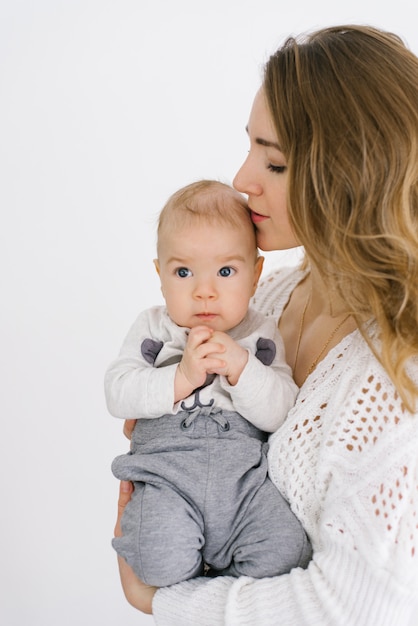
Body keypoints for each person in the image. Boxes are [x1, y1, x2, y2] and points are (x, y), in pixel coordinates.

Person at [114, 25, 418, 624]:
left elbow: (358, 606)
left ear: (351, 175)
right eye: (250, 146)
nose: (241, 179)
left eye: (274, 162)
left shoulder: (397, 376)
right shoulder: (268, 297)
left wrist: (161, 598)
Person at [106, 179, 311, 587]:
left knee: (286, 551)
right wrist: (179, 378)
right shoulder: (154, 329)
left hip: (245, 487)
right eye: (183, 271)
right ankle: (190, 567)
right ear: (160, 275)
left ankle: (223, 588)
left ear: (255, 276)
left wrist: (242, 368)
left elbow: (282, 411)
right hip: (168, 480)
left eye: (225, 271)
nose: (204, 292)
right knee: (156, 562)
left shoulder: (261, 334)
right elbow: (118, 391)